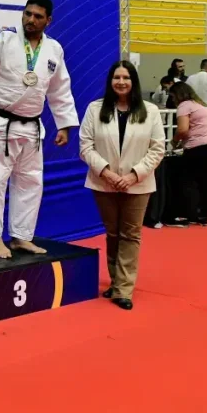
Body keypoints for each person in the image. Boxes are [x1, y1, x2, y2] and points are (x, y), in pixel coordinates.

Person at [0, 0, 78, 259]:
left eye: (38, 16)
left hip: (31, 127)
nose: (30, 19)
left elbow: (60, 89)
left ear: (48, 20)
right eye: (27, 13)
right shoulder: (3, 39)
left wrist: (64, 125)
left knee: (30, 182)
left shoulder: (54, 49)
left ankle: (20, 237)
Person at [79, 61, 165, 311]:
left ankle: (124, 289)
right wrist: (106, 172)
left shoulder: (150, 111)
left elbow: (158, 148)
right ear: (110, 81)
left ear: (133, 81)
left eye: (126, 77)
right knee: (113, 233)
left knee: (131, 235)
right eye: (116, 77)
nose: (121, 82)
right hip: (103, 182)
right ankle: (117, 282)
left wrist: (133, 175)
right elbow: (85, 146)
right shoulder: (95, 109)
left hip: (138, 185)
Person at [170, 82, 207, 225]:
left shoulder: (184, 106)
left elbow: (182, 129)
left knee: (189, 182)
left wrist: (174, 142)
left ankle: (192, 214)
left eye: (172, 96)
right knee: (206, 182)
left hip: (197, 148)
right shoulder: (200, 104)